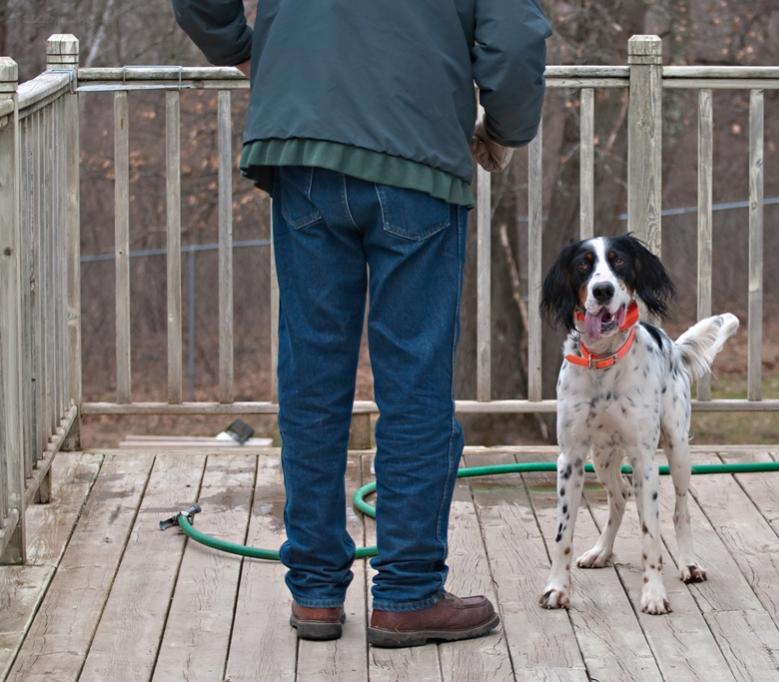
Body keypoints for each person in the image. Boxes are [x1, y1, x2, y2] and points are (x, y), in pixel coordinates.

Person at [171, 0, 550, 647]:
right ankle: (406, 593)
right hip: (416, 151)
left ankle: (315, 594)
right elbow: (514, 39)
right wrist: (506, 131)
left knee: (312, 377)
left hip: (301, 146)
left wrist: (245, 50)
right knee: (415, 380)